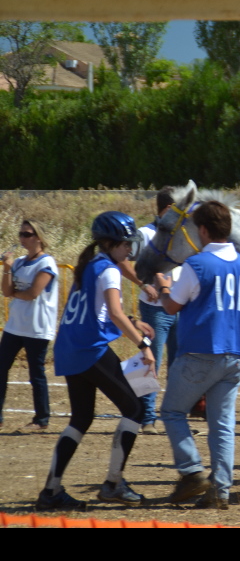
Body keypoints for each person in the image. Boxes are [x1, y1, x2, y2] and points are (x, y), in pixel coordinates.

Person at [37, 212, 156, 511]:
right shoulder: (108, 269)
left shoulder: (90, 265)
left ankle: (51, 491)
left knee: (81, 418)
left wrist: (132, 321)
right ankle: (113, 484)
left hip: (70, 347)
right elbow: (113, 313)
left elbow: (99, 310)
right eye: (125, 244)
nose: (129, 250)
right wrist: (143, 345)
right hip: (89, 349)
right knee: (135, 408)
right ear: (110, 242)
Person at [154, 200, 240, 510]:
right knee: (222, 424)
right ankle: (220, 490)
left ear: (202, 230)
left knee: (172, 412)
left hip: (201, 350)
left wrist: (162, 287)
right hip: (236, 352)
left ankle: (191, 470)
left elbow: (172, 307)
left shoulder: (196, 265)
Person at [122, 186, 180, 435]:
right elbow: (122, 260)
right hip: (155, 309)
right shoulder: (145, 234)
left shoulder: (181, 233)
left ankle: (174, 415)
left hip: (179, 306)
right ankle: (146, 417)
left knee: (178, 364)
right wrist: (143, 284)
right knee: (149, 360)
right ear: (167, 209)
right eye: (178, 208)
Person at [0, 220, 58, 431]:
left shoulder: (47, 263)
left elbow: (33, 293)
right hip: (15, 325)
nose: (22, 238)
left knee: (36, 373)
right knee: (1, 368)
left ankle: (41, 419)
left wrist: (15, 293)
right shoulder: (19, 262)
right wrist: (7, 268)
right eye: (21, 233)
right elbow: (6, 292)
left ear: (38, 237)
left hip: (37, 326)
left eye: (27, 234)